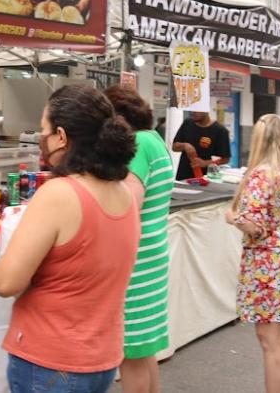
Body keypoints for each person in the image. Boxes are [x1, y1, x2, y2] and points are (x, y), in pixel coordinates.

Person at [0, 85, 141, 393]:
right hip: (101, 356)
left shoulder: (60, 194)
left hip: (51, 360)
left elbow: (6, 282)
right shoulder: (125, 193)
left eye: (43, 130)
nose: (40, 140)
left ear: (61, 136)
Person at [224, 114, 280, 393]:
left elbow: (254, 226)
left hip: (266, 265)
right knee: (277, 339)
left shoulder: (261, 175)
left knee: (269, 341)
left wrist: (233, 217)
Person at [104, 86, 173, 393]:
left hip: (136, 261)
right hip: (152, 255)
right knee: (144, 353)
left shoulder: (139, 143)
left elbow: (128, 203)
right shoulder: (155, 139)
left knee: (129, 356)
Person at [172, 111, 231, 180]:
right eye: (193, 110)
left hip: (207, 178)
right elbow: (174, 147)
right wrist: (184, 145)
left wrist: (205, 163)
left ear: (206, 111)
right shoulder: (187, 123)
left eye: (197, 110)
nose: (193, 112)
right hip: (183, 177)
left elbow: (225, 159)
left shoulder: (220, 130)